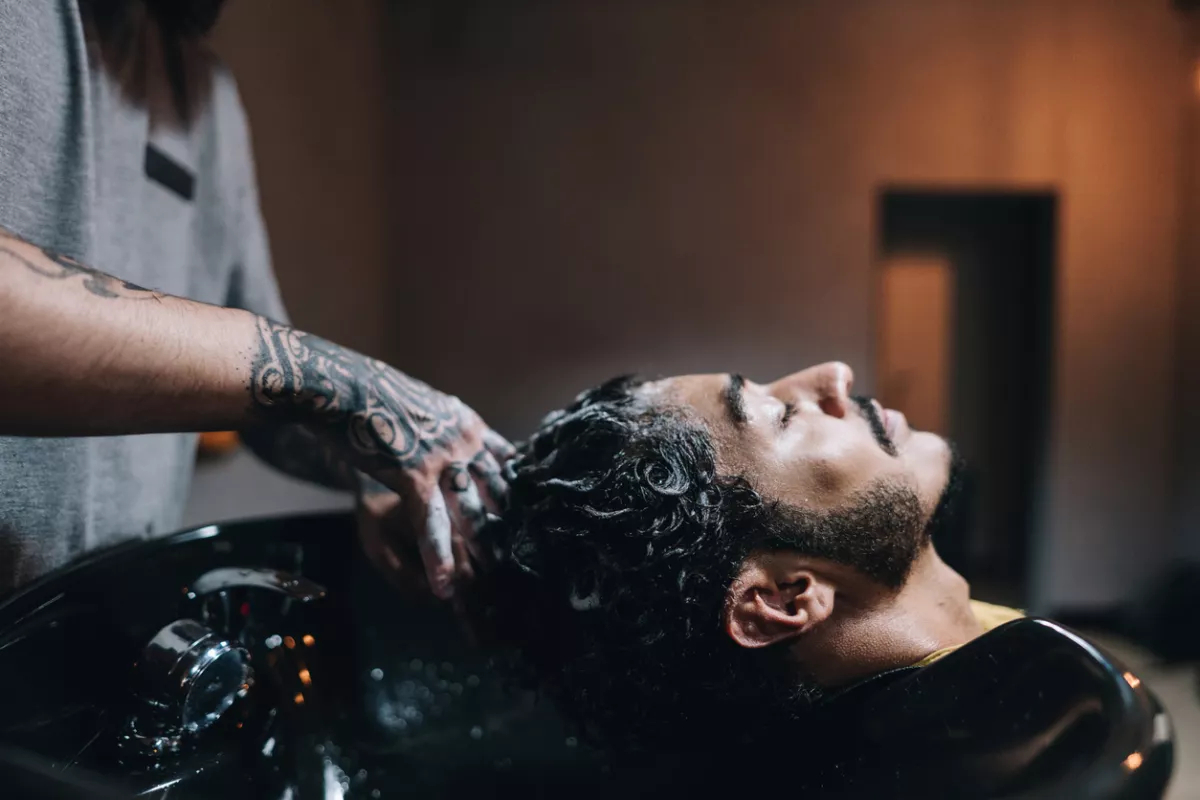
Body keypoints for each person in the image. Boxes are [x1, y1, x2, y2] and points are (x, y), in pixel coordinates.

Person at [0, 0, 509, 595]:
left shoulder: (201, 93)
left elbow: (269, 400)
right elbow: (296, 379)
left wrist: (380, 473)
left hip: (108, 628)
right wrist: (350, 389)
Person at [472, 362, 1023, 752]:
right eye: (782, 415)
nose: (833, 374)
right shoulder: (1035, 733)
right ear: (779, 599)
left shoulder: (999, 668)